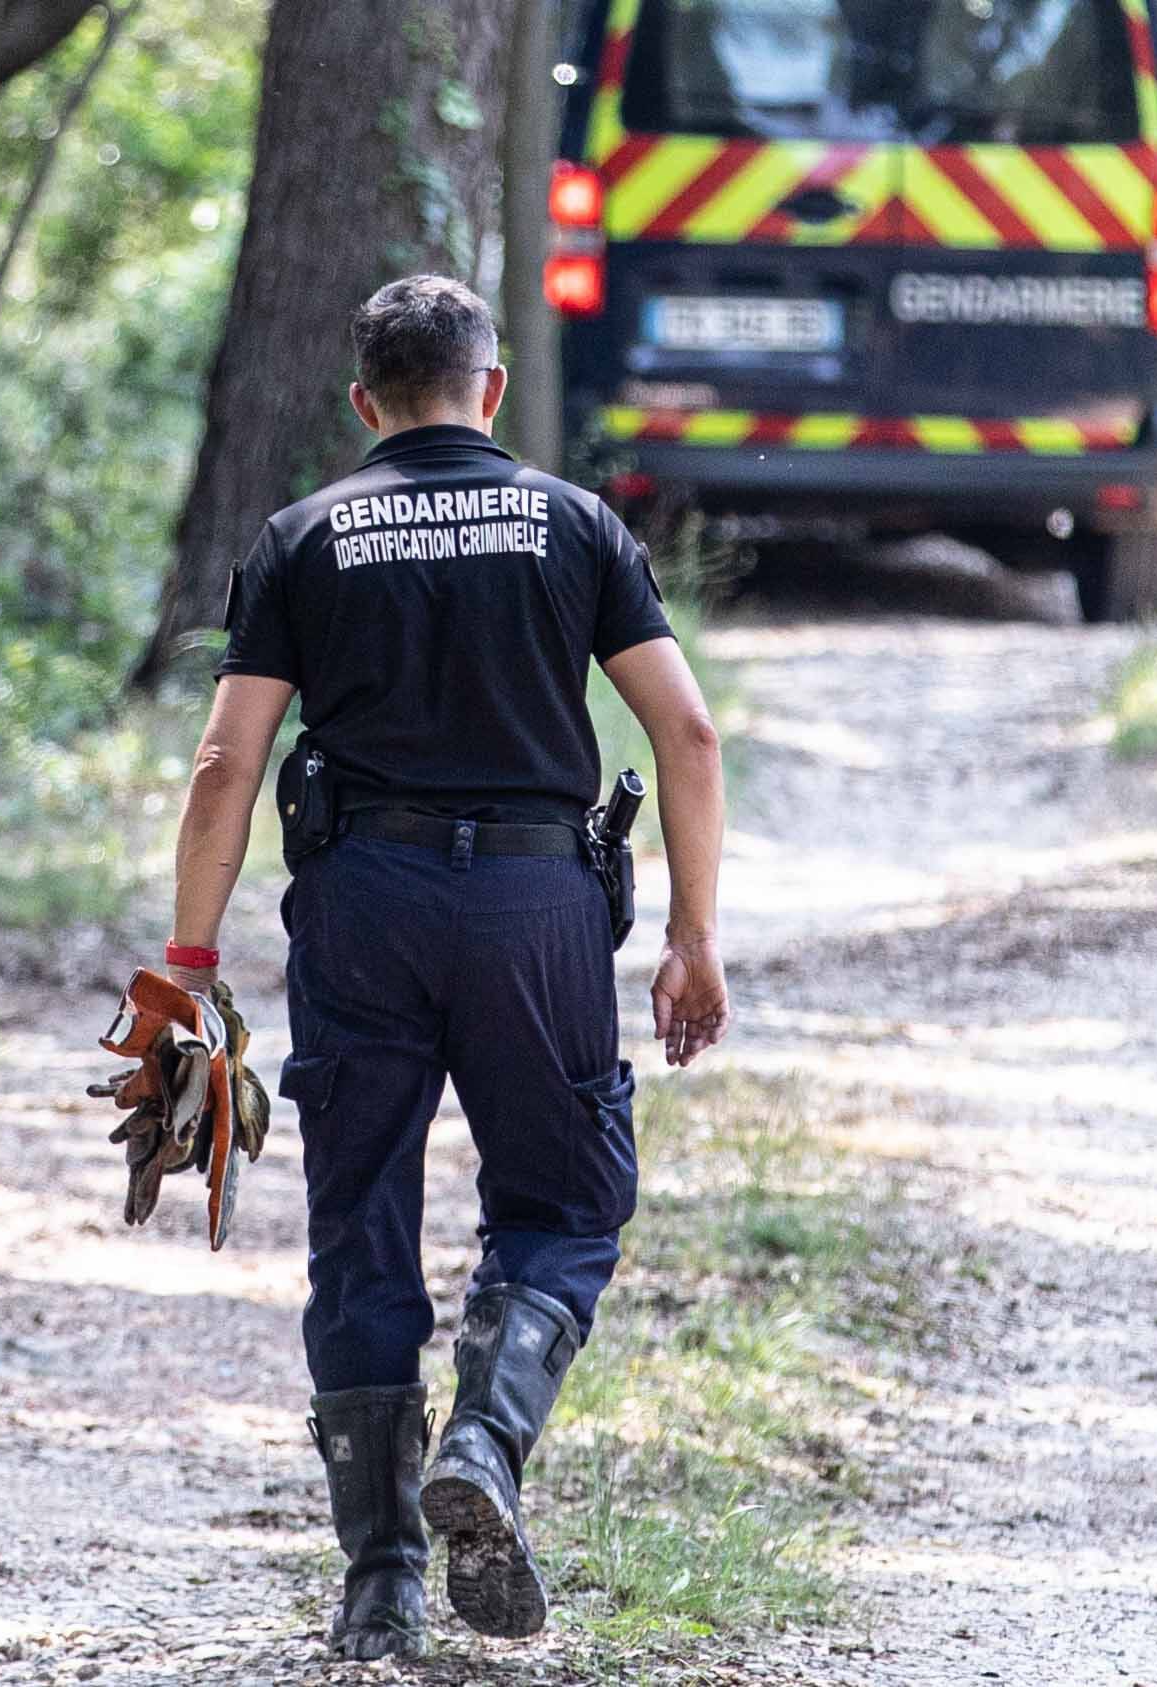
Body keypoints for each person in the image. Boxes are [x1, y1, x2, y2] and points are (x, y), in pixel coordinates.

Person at [157, 274, 731, 1660]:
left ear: (364, 402)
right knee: (566, 1202)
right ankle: (484, 1432)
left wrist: (185, 964)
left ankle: (381, 1590)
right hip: (538, 908)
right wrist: (692, 938)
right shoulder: (574, 523)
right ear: (489, 385)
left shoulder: (305, 535)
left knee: (361, 1215)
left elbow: (229, 758)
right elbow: (687, 736)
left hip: (362, 903)